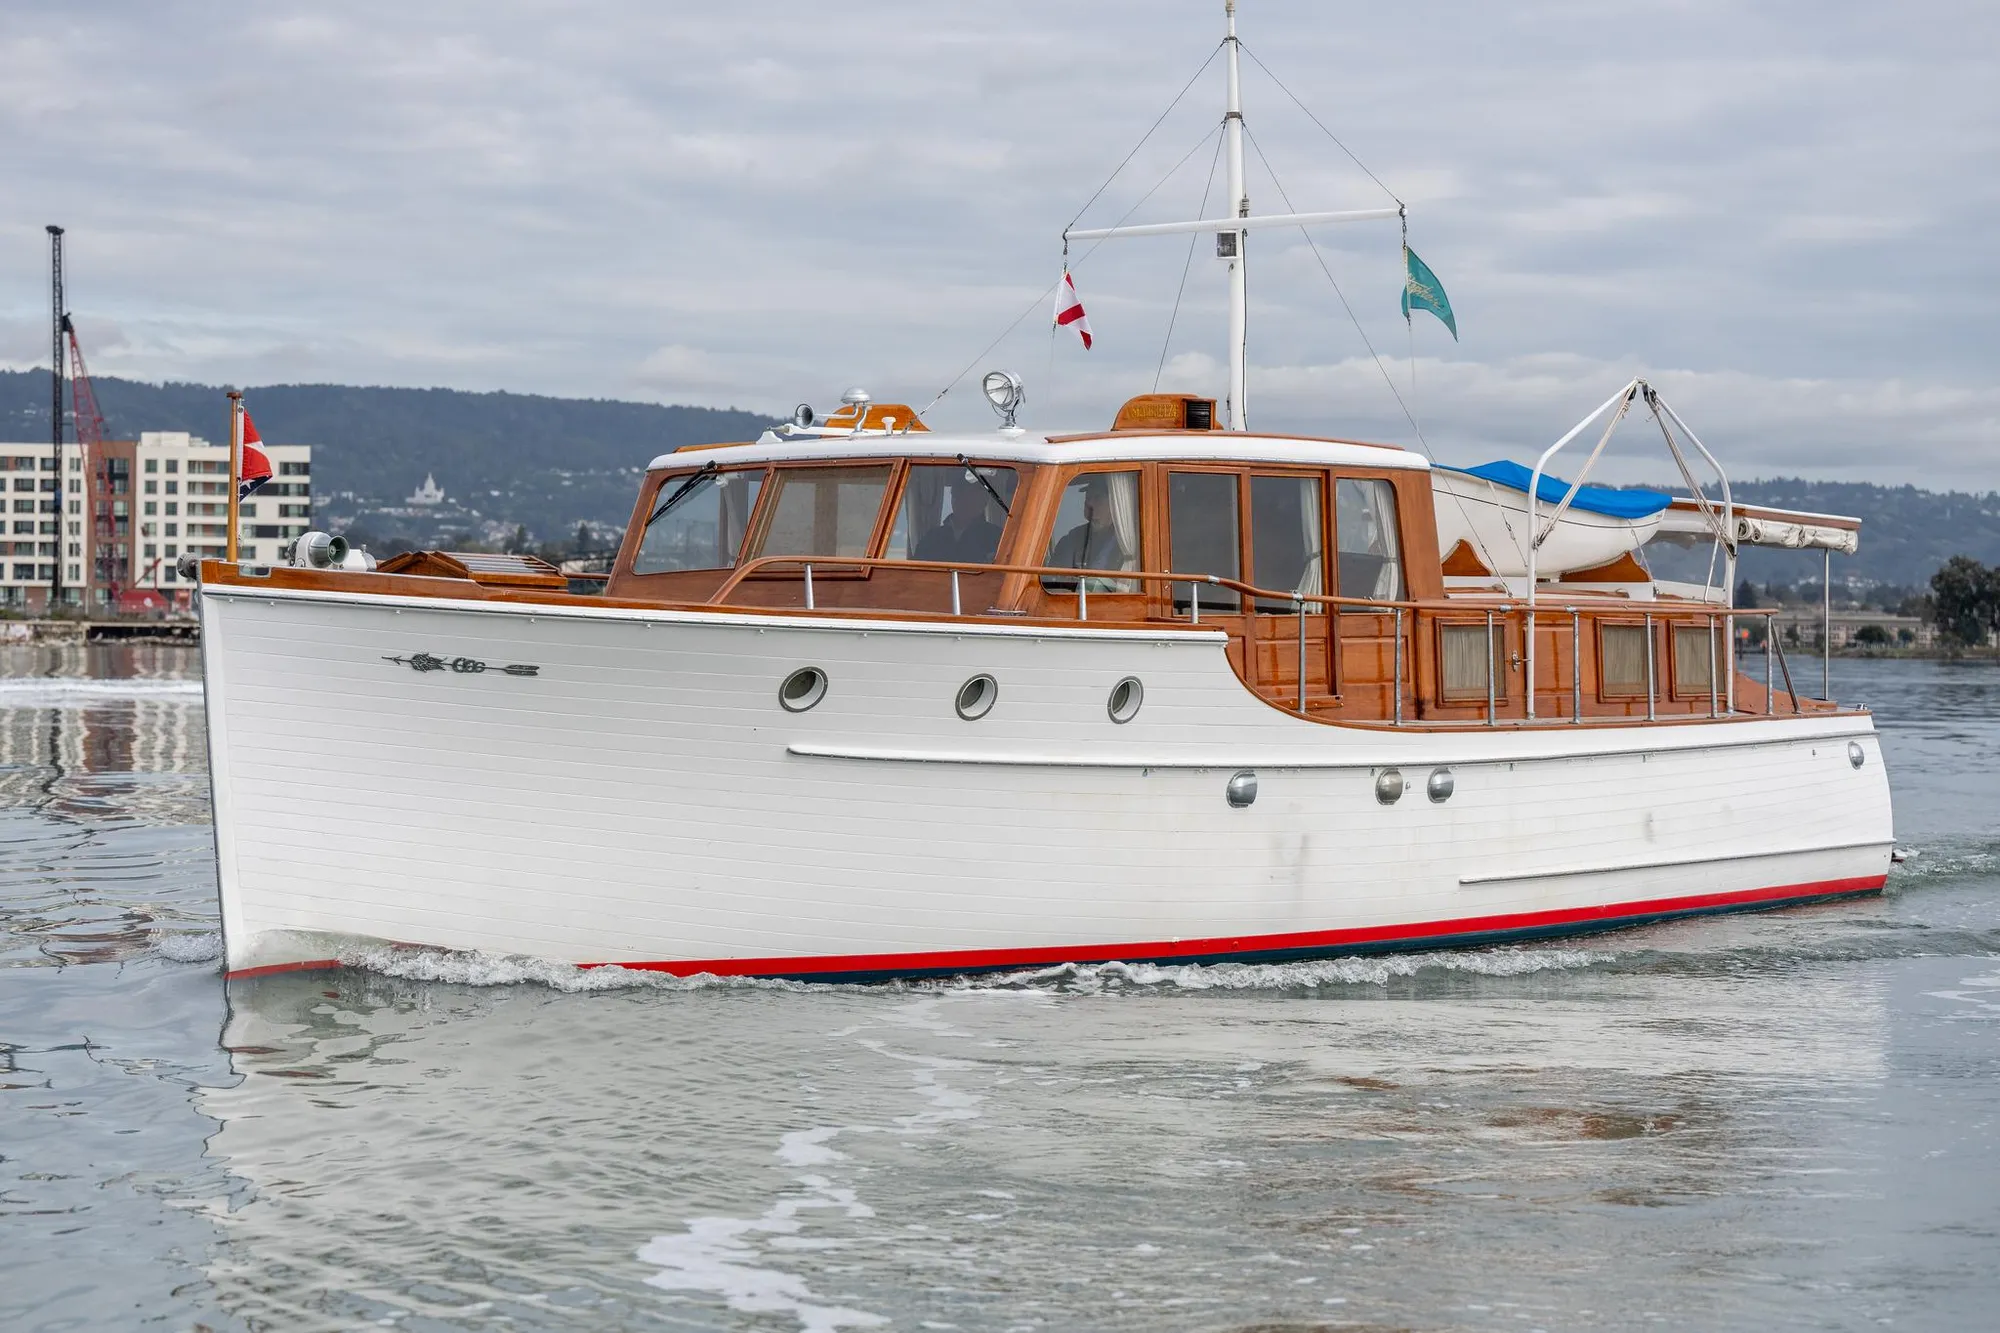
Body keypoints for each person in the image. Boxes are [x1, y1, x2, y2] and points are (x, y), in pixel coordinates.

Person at [1045, 475, 1135, 590]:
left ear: (1114, 503)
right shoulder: (1072, 538)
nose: (1089, 504)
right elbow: (1054, 579)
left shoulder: (1129, 541)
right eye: (1088, 497)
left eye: (1097, 498)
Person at [914, 476, 1004, 564]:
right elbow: (917, 570)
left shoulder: (997, 538)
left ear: (983, 501)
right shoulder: (932, 537)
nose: (961, 501)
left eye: (969, 497)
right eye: (956, 495)